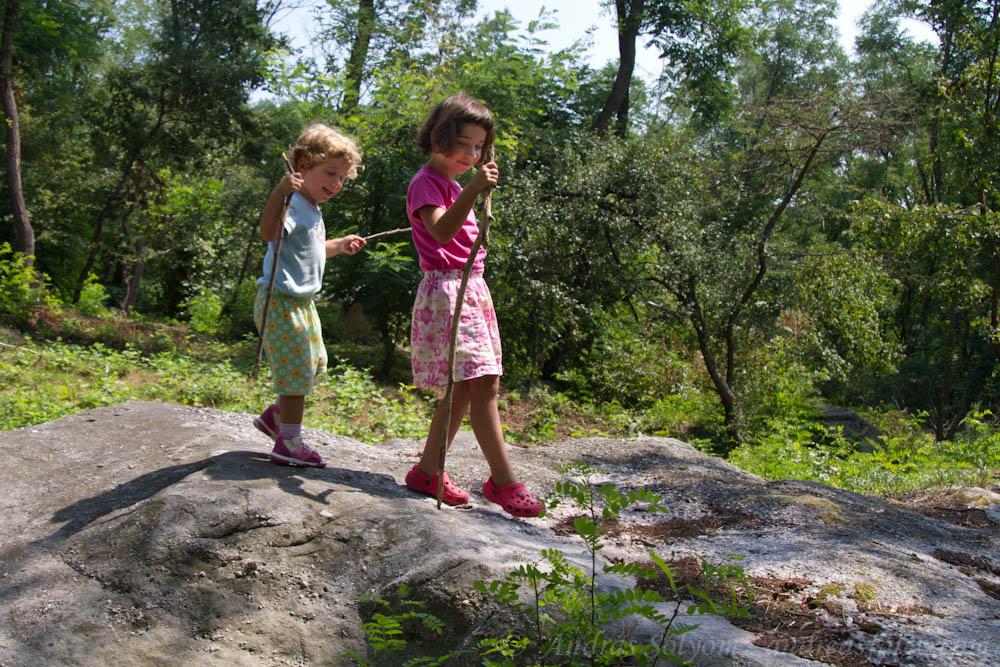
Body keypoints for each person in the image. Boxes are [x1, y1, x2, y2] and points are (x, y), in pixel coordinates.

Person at [403, 93, 543, 517]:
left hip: (470, 288)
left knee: (466, 387)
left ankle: (428, 471)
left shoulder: (451, 184)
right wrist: (474, 189)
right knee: (483, 382)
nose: (471, 154)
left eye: (479, 147)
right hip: (449, 292)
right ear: (438, 138)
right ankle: (503, 480)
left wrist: (470, 188)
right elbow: (442, 233)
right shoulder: (426, 184)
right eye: (463, 143)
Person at [252, 123, 366, 467]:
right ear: (302, 166)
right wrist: (278, 194)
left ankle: (276, 417)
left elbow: (310, 250)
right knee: (297, 372)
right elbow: (269, 232)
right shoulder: (294, 203)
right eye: (330, 173)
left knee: (314, 365)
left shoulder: (312, 209)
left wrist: (339, 245)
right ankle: (289, 442)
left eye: (342, 178)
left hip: (302, 304)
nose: (337, 183)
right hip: (281, 301)